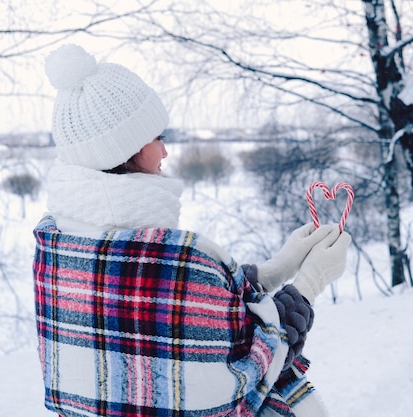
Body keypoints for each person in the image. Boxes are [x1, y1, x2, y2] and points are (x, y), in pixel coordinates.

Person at [33, 44, 351, 417]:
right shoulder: (175, 256)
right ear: (123, 150)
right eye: (157, 138)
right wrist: (311, 282)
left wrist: (277, 269)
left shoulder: (56, 246)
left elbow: (202, 306)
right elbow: (253, 356)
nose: (165, 152)